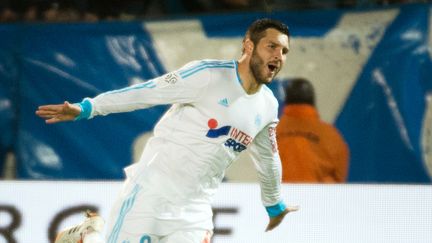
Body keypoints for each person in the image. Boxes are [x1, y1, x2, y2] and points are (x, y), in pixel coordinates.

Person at [36, 18, 299, 243]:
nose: (278, 55)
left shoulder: (267, 106)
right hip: (150, 194)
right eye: (272, 46)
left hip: (195, 211)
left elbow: (268, 159)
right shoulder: (207, 75)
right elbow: (145, 92)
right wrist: (88, 108)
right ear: (249, 46)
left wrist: (274, 204)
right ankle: (89, 235)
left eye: (284, 51)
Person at [276, 78, 349, 183]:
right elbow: (339, 175)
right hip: (318, 197)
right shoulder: (330, 135)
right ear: (312, 101)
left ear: (286, 101)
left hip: (280, 196)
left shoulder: (272, 133)